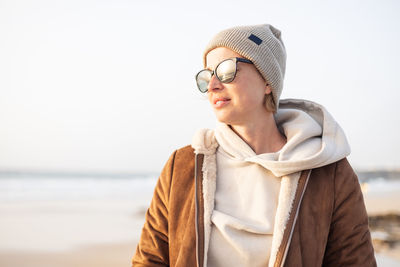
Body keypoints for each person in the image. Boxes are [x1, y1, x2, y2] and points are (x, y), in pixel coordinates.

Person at [132, 24, 376, 267]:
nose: (213, 85)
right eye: (207, 76)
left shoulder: (330, 173)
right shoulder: (182, 167)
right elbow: (149, 261)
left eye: (226, 70)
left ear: (267, 80)